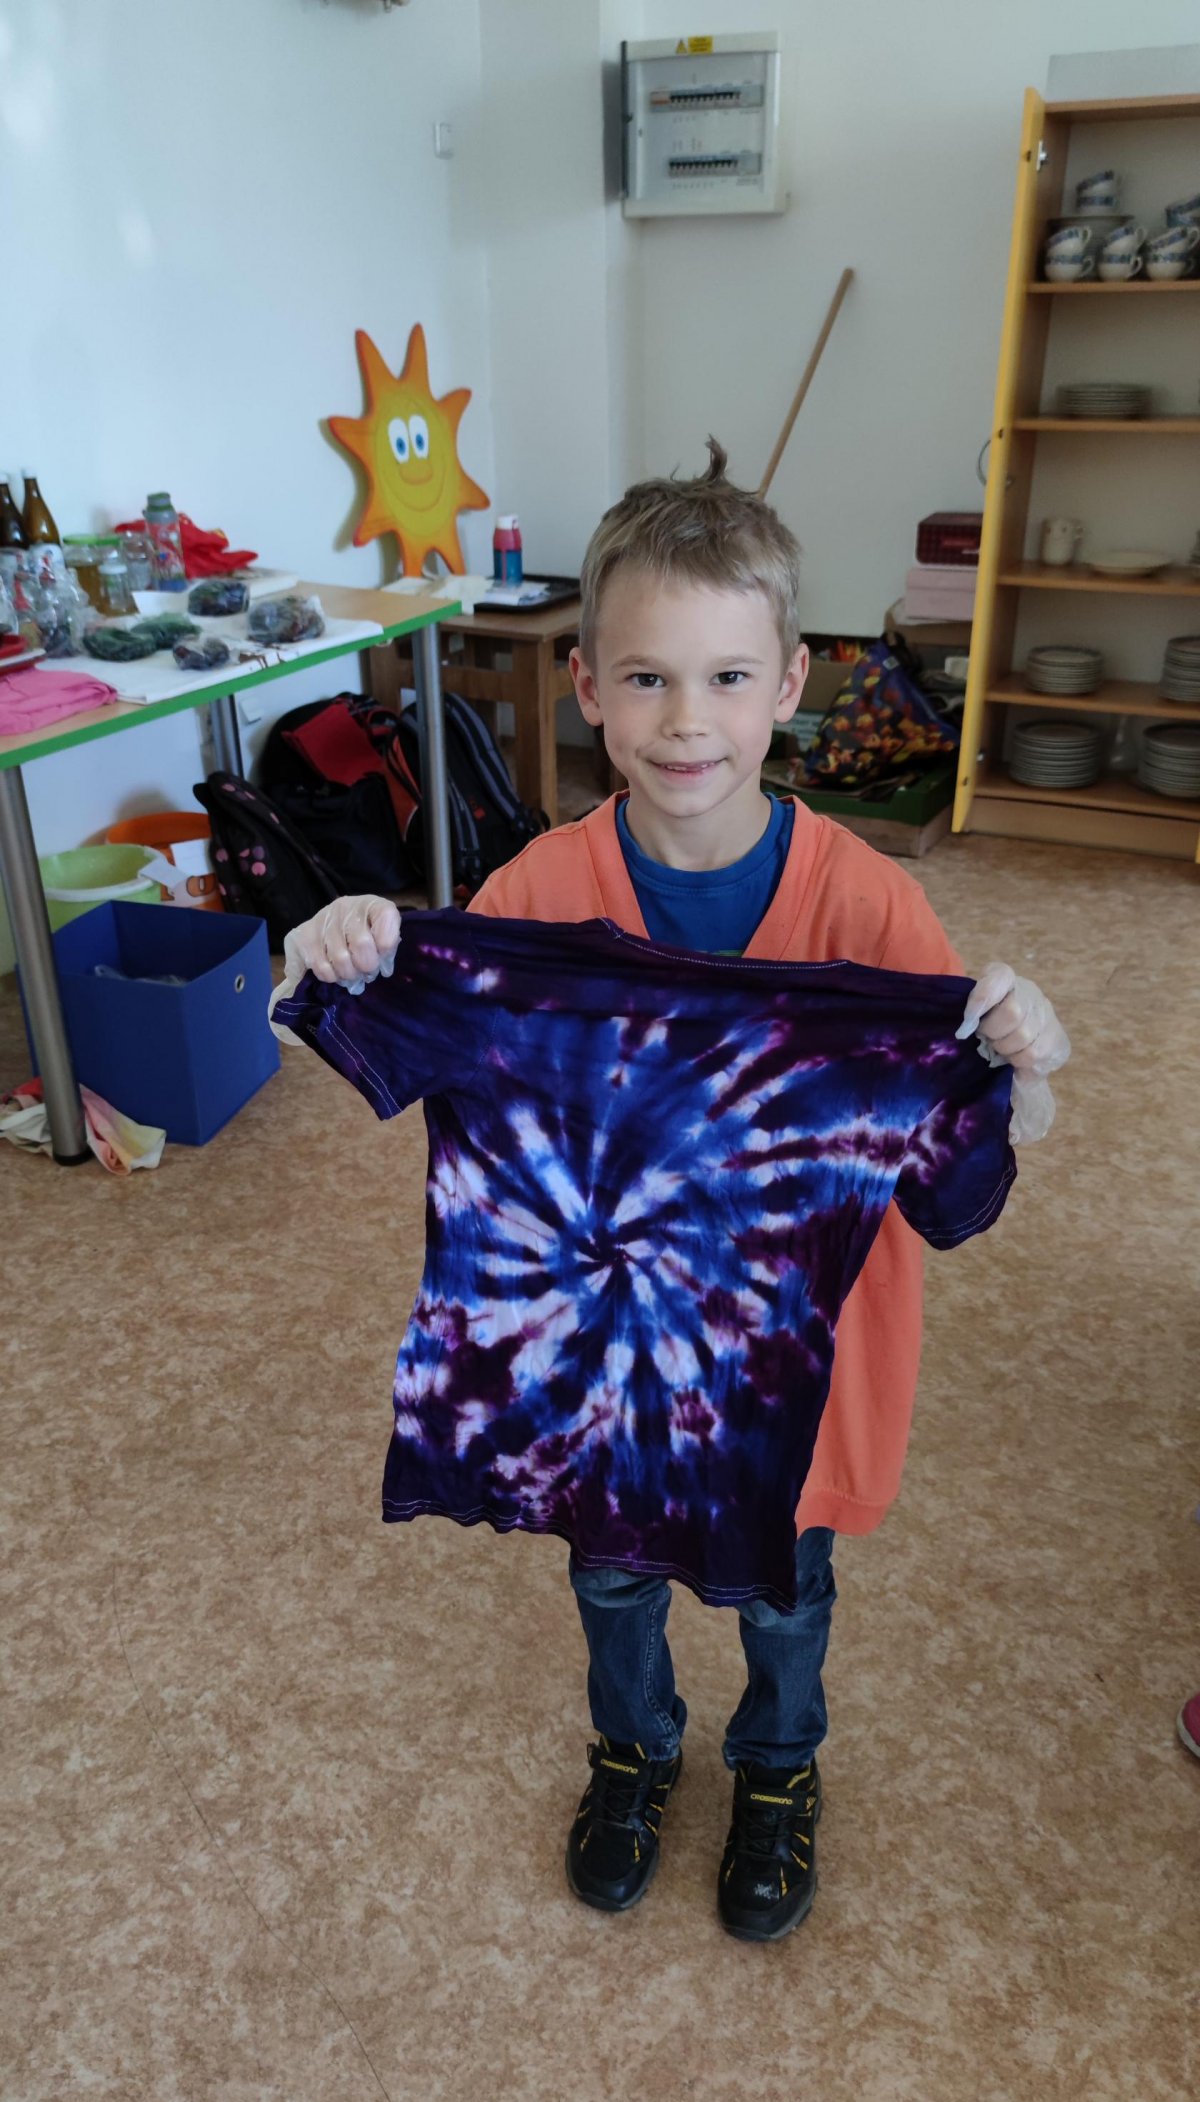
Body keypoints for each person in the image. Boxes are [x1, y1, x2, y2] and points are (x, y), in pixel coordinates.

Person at [272, 441, 1070, 1943]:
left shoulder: (872, 911)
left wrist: (1007, 1059)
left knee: (787, 1589)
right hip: (606, 1377)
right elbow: (395, 1030)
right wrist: (346, 948)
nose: (686, 719)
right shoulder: (533, 902)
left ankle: (778, 1763)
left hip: (793, 1376)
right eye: (646, 678)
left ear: (793, 685)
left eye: (725, 677)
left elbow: (957, 1199)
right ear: (586, 685)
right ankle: (634, 1746)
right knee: (615, 1578)